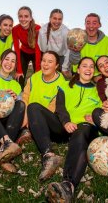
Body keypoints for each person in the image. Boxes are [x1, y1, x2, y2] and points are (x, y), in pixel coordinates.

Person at [40, 57, 101, 202]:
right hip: (64, 126)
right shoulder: (65, 86)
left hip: (85, 128)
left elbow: (103, 111)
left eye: (91, 66)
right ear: (78, 69)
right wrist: (66, 122)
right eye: (84, 66)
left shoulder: (98, 91)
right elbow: (60, 107)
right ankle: (48, 154)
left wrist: (95, 117)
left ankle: (68, 185)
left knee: (82, 132)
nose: (88, 69)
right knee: (34, 107)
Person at [22, 51, 66, 130]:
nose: (45, 64)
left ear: (56, 66)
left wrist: (32, 119)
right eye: (43, 60)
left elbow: (52, 108)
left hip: (47, 119)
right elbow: (25, 97)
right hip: (28, 114)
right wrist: (25, 116)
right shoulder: (34, 77)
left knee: (34, 107)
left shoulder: (62, 84)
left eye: (50, 62)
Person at [69, 13, 108, 79]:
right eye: (88, 23)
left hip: (100, 76)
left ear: (99, 25)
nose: (91, 26)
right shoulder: (77, 38)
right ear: (85, 25)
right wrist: (75, 52)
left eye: (94, 23)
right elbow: (73, 62)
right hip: (79, 75)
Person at [12, 6, 41, 89]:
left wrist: (38, 70)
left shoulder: (37, 28)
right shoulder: (15, 29)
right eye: (20, 16)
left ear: (31, 18)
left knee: (38, 75)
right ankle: (19, 93)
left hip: (36, 53)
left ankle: (35, 93)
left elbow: (38, 50)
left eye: (26, 16)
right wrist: (19, 70)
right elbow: (17, 49)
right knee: (19, 75)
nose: (23, 19)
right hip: (24, 53)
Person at [38, 8, 71, 79]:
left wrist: (64, 67)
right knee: (48, 77)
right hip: (49, 55)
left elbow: (68, 50)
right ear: (50, 19)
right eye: (54, 18)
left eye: (60, 19)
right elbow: (43, 49)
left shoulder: (66, 32)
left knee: (63, 78)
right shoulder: (43, 30)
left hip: (62, 56)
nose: (57, 21)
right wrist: (43, 35)